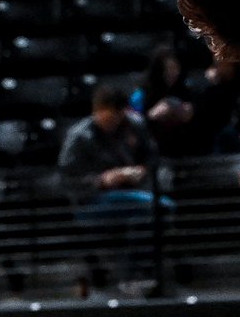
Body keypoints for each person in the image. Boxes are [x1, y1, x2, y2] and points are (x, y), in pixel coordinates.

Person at [58, 83, 164, 296]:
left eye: (117, 118)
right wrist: (103, 180)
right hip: (93, 201)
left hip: (133, 194)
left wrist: (140, 170)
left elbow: (152, 158)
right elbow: (68, 180)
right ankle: (133, 275)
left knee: (149, 213)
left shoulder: (134, 125)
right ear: (97, 111)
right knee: (157, 208)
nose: (113, 123)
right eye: (108, 118)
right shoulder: (79, 136)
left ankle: (134, 275)